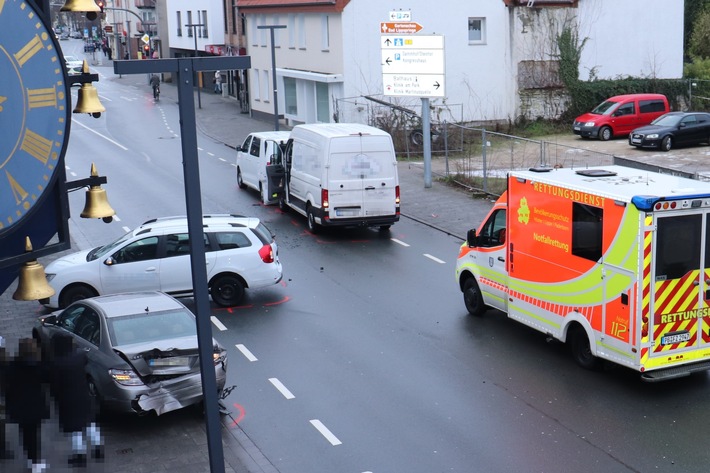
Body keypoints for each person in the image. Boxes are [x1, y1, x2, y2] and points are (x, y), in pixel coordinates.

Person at [48, 334, 103, 467]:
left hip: (68, 399)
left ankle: (80, 455)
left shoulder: (56, 363)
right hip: (83, 394)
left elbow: (54, 384)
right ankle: (97, 449)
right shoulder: (79, 357)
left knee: (75, 428)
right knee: (90, 423)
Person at [4, 338, 50, 473]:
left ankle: (31, 459)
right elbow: (47, 378)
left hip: (19, 405)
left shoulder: (12, 366)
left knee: (25, 433)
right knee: (34, 434)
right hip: (35, 405)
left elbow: (8, 385)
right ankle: (36, 463)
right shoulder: (38, 365)